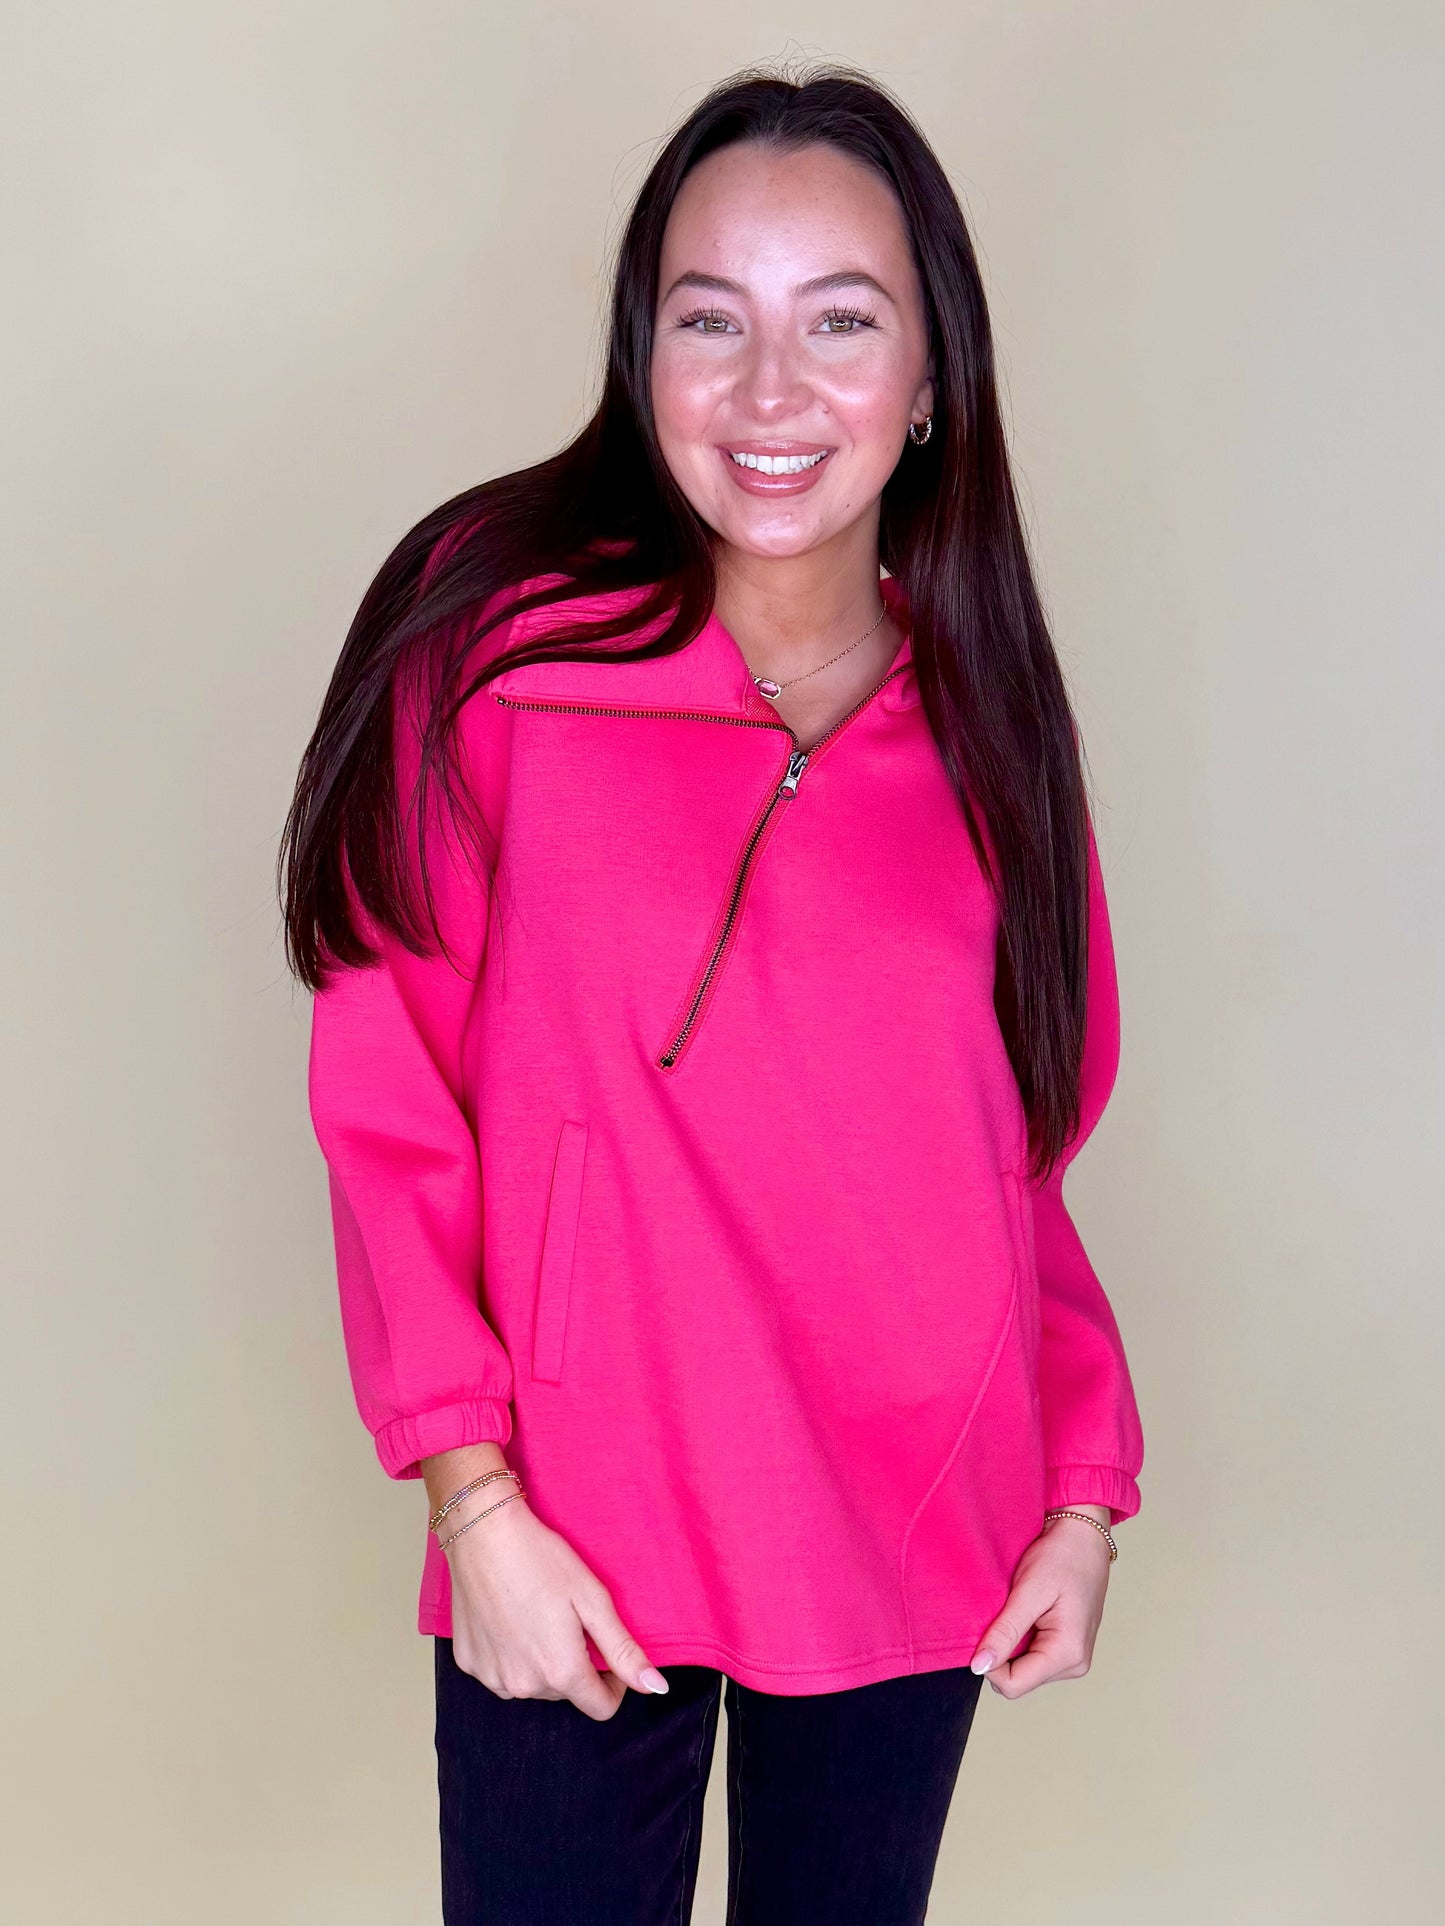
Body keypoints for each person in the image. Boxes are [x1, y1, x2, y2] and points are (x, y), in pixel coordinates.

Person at [280, 61, 1145, 1926]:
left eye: (840, 322)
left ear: (930, 376)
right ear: (640, 353)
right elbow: (386, 1090)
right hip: (572, 1528)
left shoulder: (992, 725)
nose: (769, 392)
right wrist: (473, 1504)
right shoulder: (494, 647)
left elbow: (1019, 1154)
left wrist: (1079, 1486)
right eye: (708, 320)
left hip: (913, 1527)